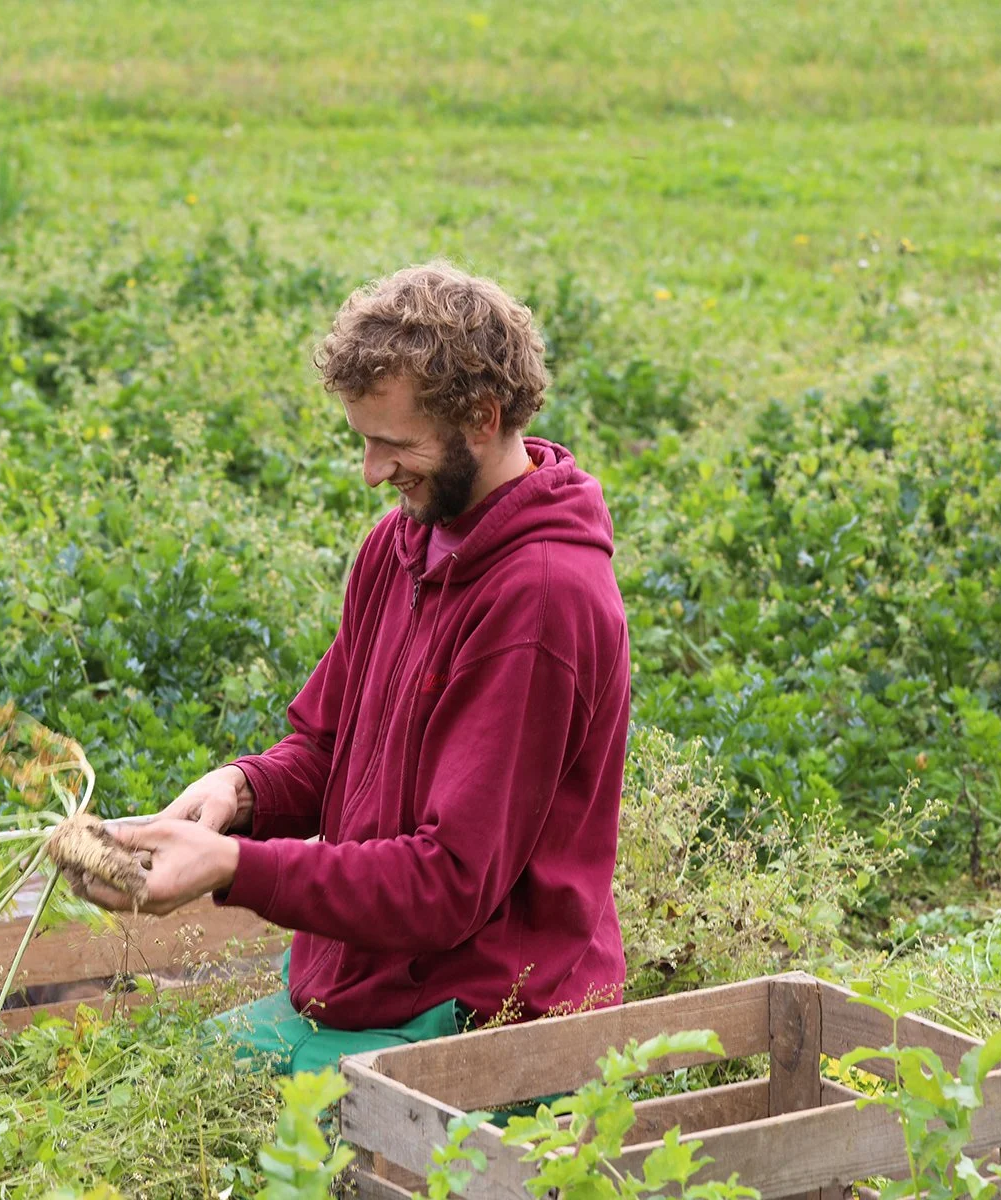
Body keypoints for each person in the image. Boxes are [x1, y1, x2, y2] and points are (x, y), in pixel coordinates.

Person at [91, 262, 631, 1073]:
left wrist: (236, 867)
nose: (373, 471)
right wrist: (241, 792)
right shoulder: (404, 542)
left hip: (481, 1020)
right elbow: (327, 746)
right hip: (367, 985)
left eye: (395, 444)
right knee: (151, 1077)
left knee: (210, 1119)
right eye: (364, 440)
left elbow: (449, 882)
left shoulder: (541, 600)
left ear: (482, 418)